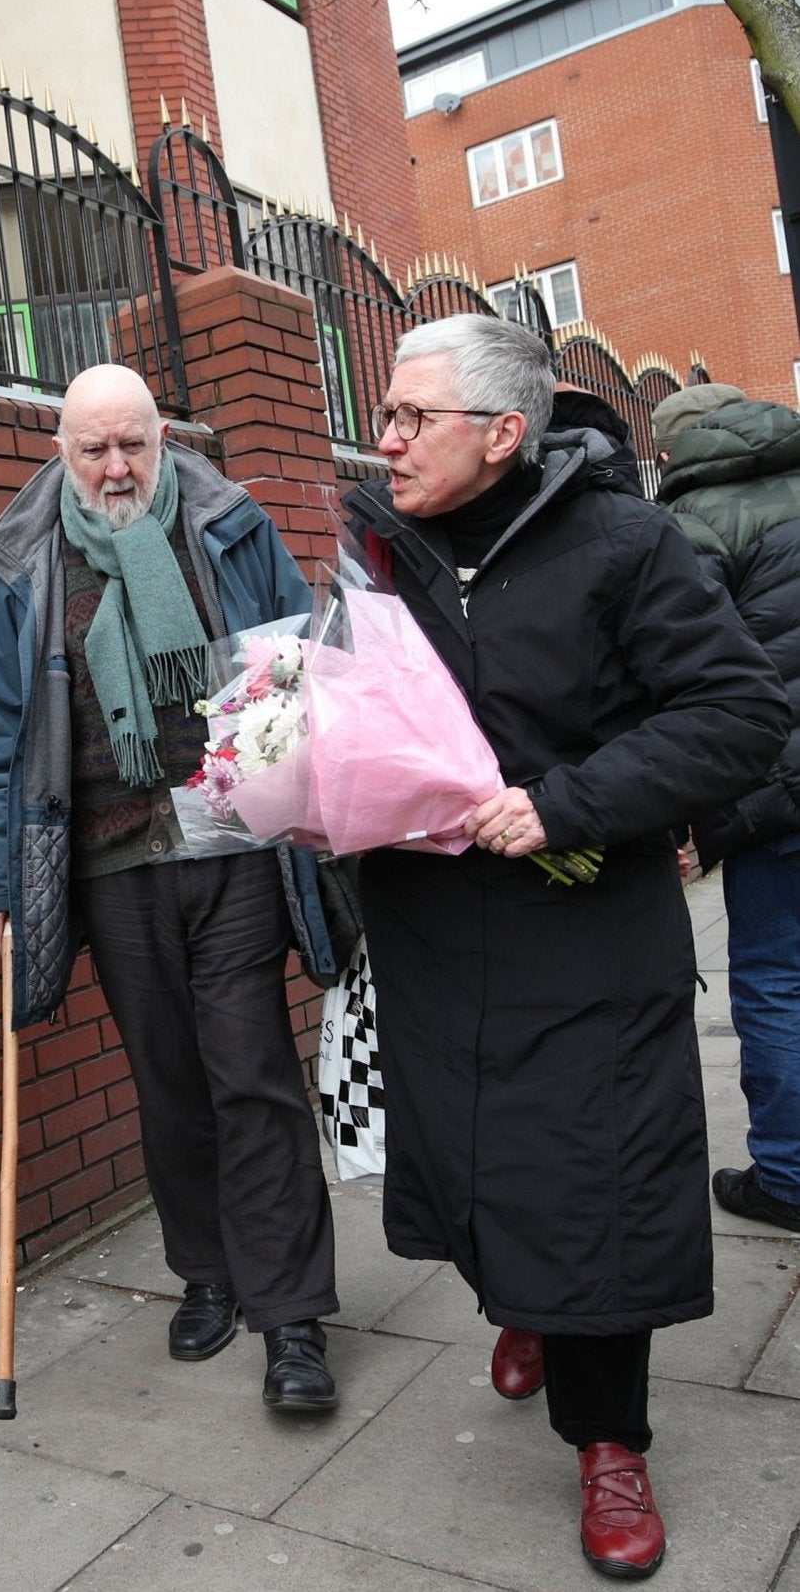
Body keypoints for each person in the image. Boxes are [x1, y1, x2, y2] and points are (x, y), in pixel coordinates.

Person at [346, 316, 788, 1581]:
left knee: (593, 1185)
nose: (383, 439)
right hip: (432, 930)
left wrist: (563, 802)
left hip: (584, 929)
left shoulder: (623, 544)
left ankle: (608, 1444)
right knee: (474, 1159)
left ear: (501, 431)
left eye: (408, 417)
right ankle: (526, 1303)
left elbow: (738, 712)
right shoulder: (377, 557)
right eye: (382, 413)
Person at [0, 363, 346, 1413]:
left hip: (230, 848)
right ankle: (207, 1273)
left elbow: (291, 665)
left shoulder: (227, 524)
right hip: (109, 861)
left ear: (163, 435)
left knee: (251, 1071)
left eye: (133, 443)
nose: (116, 467)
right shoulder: (20, 563)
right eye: (93, 449)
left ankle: (291, 1316)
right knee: (169, 1084)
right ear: (59, 451)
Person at [648, 382, 800, 1232]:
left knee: (777, 978)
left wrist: (680, 819)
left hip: (775, 789)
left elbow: (683, 673)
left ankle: (787, 1173)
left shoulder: (695, 518)